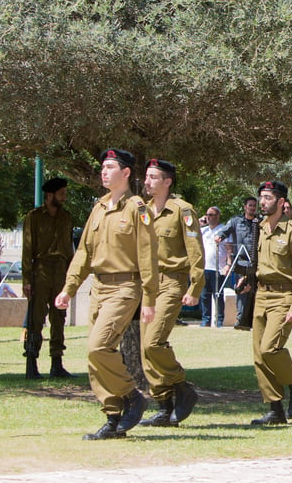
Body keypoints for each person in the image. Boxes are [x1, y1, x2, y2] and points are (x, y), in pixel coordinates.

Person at [54, 149, 159, 440]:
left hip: (126, 288)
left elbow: (148, 255)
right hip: (99, 288)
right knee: (96, 355)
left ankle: (132, 396)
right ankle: (113, 417)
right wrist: (68, 288)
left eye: (110, 167)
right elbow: (84, 253)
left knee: (98, 347)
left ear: (125, 173)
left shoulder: (137, 208)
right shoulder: (99, 207)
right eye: (102, 167)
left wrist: (149, 298)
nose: (104, 172)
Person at [137, 159, 203, 428]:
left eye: (153, 177)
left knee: (154, 342)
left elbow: (195, 250)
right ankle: (164, 406)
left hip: (173, 282)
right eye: (147, 176)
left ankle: (181, 385)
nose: (147, 181)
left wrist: (195, 286)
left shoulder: (182, 211)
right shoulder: (144, 210)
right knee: (145, 350)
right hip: (149, 286)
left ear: (167, 181)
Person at [248, 180, 292, 426]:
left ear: (282, 201)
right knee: (259, 356)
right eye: (261, 197)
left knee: (270, 348)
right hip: (261, 295)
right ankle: (275, 409)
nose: (263, 202)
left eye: (268, 197)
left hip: (284, 296)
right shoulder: (261, 227)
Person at [22, 177, 75, 379]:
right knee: (36, 317)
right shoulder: (34, 217)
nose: (64, 197)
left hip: (60, 271)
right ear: (50, 195)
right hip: (40, 270)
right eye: (61, 193)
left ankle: (56, 362)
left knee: (59, 317)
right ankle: (32, 361)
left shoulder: (66, 217)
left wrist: (71, 278)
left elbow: (69, 248)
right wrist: (27, 278)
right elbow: (27, 249)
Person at [213, 197, 260, 328]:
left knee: (256, 292)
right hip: (241, 262)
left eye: (254, 206)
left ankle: (254, 320)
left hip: (257, 263)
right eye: (250, 205)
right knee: (241, 291)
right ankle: (241, 320)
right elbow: (224, 231)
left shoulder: (260, 222)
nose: (252, 208)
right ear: (245, 207)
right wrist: (219, 237)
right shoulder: (236, 221)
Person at [199, 206, 227, 328]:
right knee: (204, 295)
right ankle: (206, 320)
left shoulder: (223, 230)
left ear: (217, 216)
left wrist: (228, 265)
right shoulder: (203, 231)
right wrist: (199, 224)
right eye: (207, 215)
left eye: (211, 215)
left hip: (218, 268)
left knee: (218, 295)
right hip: (205, 267)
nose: (208, 217)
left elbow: (229, 249)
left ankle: (219, 320)